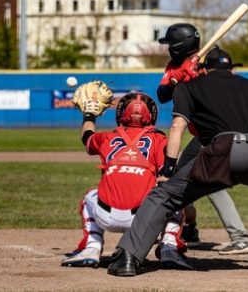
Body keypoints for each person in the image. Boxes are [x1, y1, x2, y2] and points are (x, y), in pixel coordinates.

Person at [107, 47, 248, 277]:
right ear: (233, 69)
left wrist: (168, 169)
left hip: (221, 153)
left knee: (162, 197)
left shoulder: (188, 86)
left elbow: (177, 127)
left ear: (204, 69)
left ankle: (128, 258)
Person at [61, 92, 191, 270]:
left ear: (122, 113)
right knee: (173, 197)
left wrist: (89, 115)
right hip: (144, 220)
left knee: (89, 197)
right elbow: (166, 177)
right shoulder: (159, 139)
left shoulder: (107, 137)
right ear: (151, 115)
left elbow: (87, 137)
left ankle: (92, 248)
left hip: (104, 216)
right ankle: (169, 248)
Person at [156, 23, 248, 254]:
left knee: (211, 184)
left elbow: (225, 92)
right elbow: (162, 95)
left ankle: (241, 237)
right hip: (200, 137)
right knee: (177, 180)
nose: (169, 48)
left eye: (171, 44)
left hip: (217, 134)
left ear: (180, 45)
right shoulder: (174, 66)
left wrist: (198, 75)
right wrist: (176, 79)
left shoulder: (210, 62)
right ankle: (189, 227)